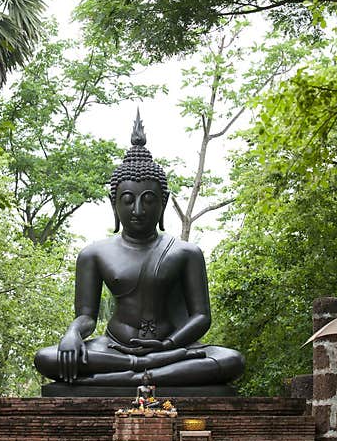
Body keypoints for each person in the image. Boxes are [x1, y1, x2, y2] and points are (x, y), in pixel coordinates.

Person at [34, 111, 245, 386]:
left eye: (148, 200)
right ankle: (141, 368)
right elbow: (86, 316)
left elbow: (202, 317)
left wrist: (168, 344)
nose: (137, 210)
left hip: (172, 348)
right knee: (47, 358)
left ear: (163, 203)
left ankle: (127, 374)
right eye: (128, 200)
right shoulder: (94, 254)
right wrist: (73, 334)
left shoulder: (186, 253)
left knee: (232, 360)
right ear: (114, 205)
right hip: (114, 347)